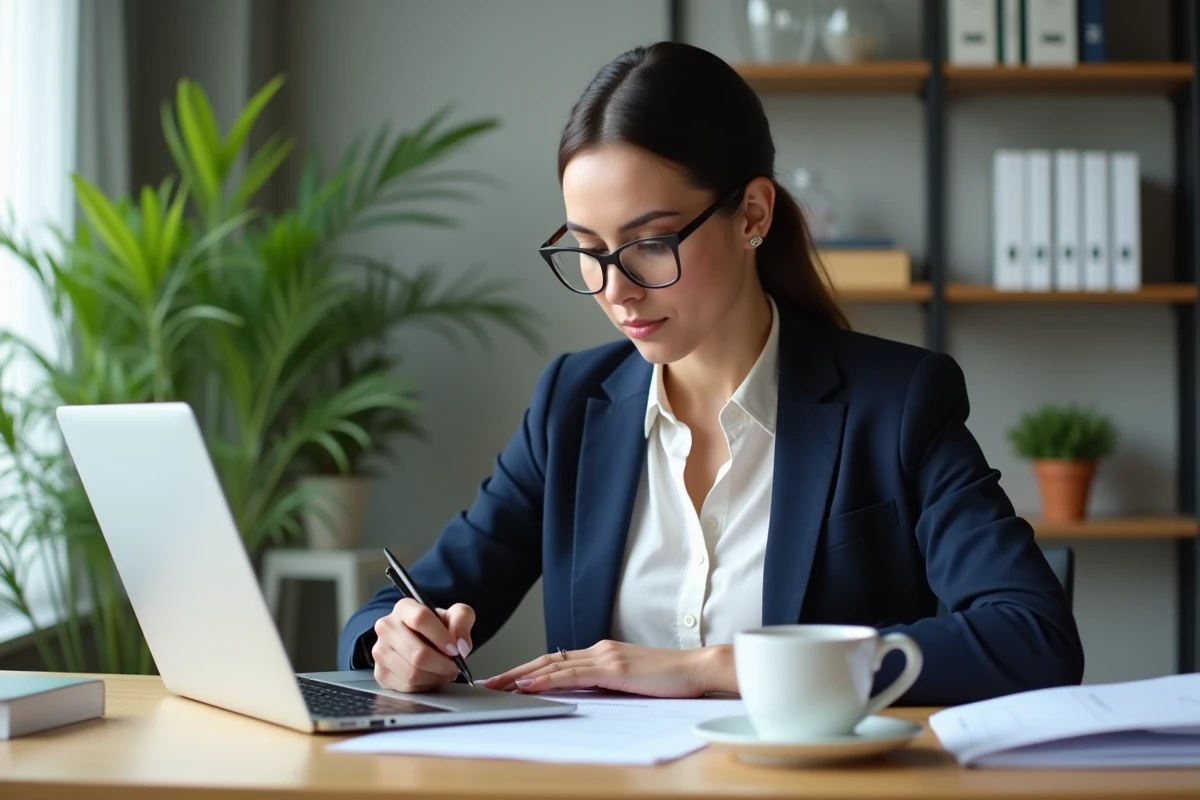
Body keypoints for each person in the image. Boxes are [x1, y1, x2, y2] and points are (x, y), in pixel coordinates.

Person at [338, 41, 1084, 706]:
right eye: (588, 249)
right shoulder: (571, 406)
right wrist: (396, 643)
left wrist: (713, 668)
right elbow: (397, 607)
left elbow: (1031, 637)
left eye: (649, 244)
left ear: (753, 213)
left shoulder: (895, 405)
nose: (614, 288)